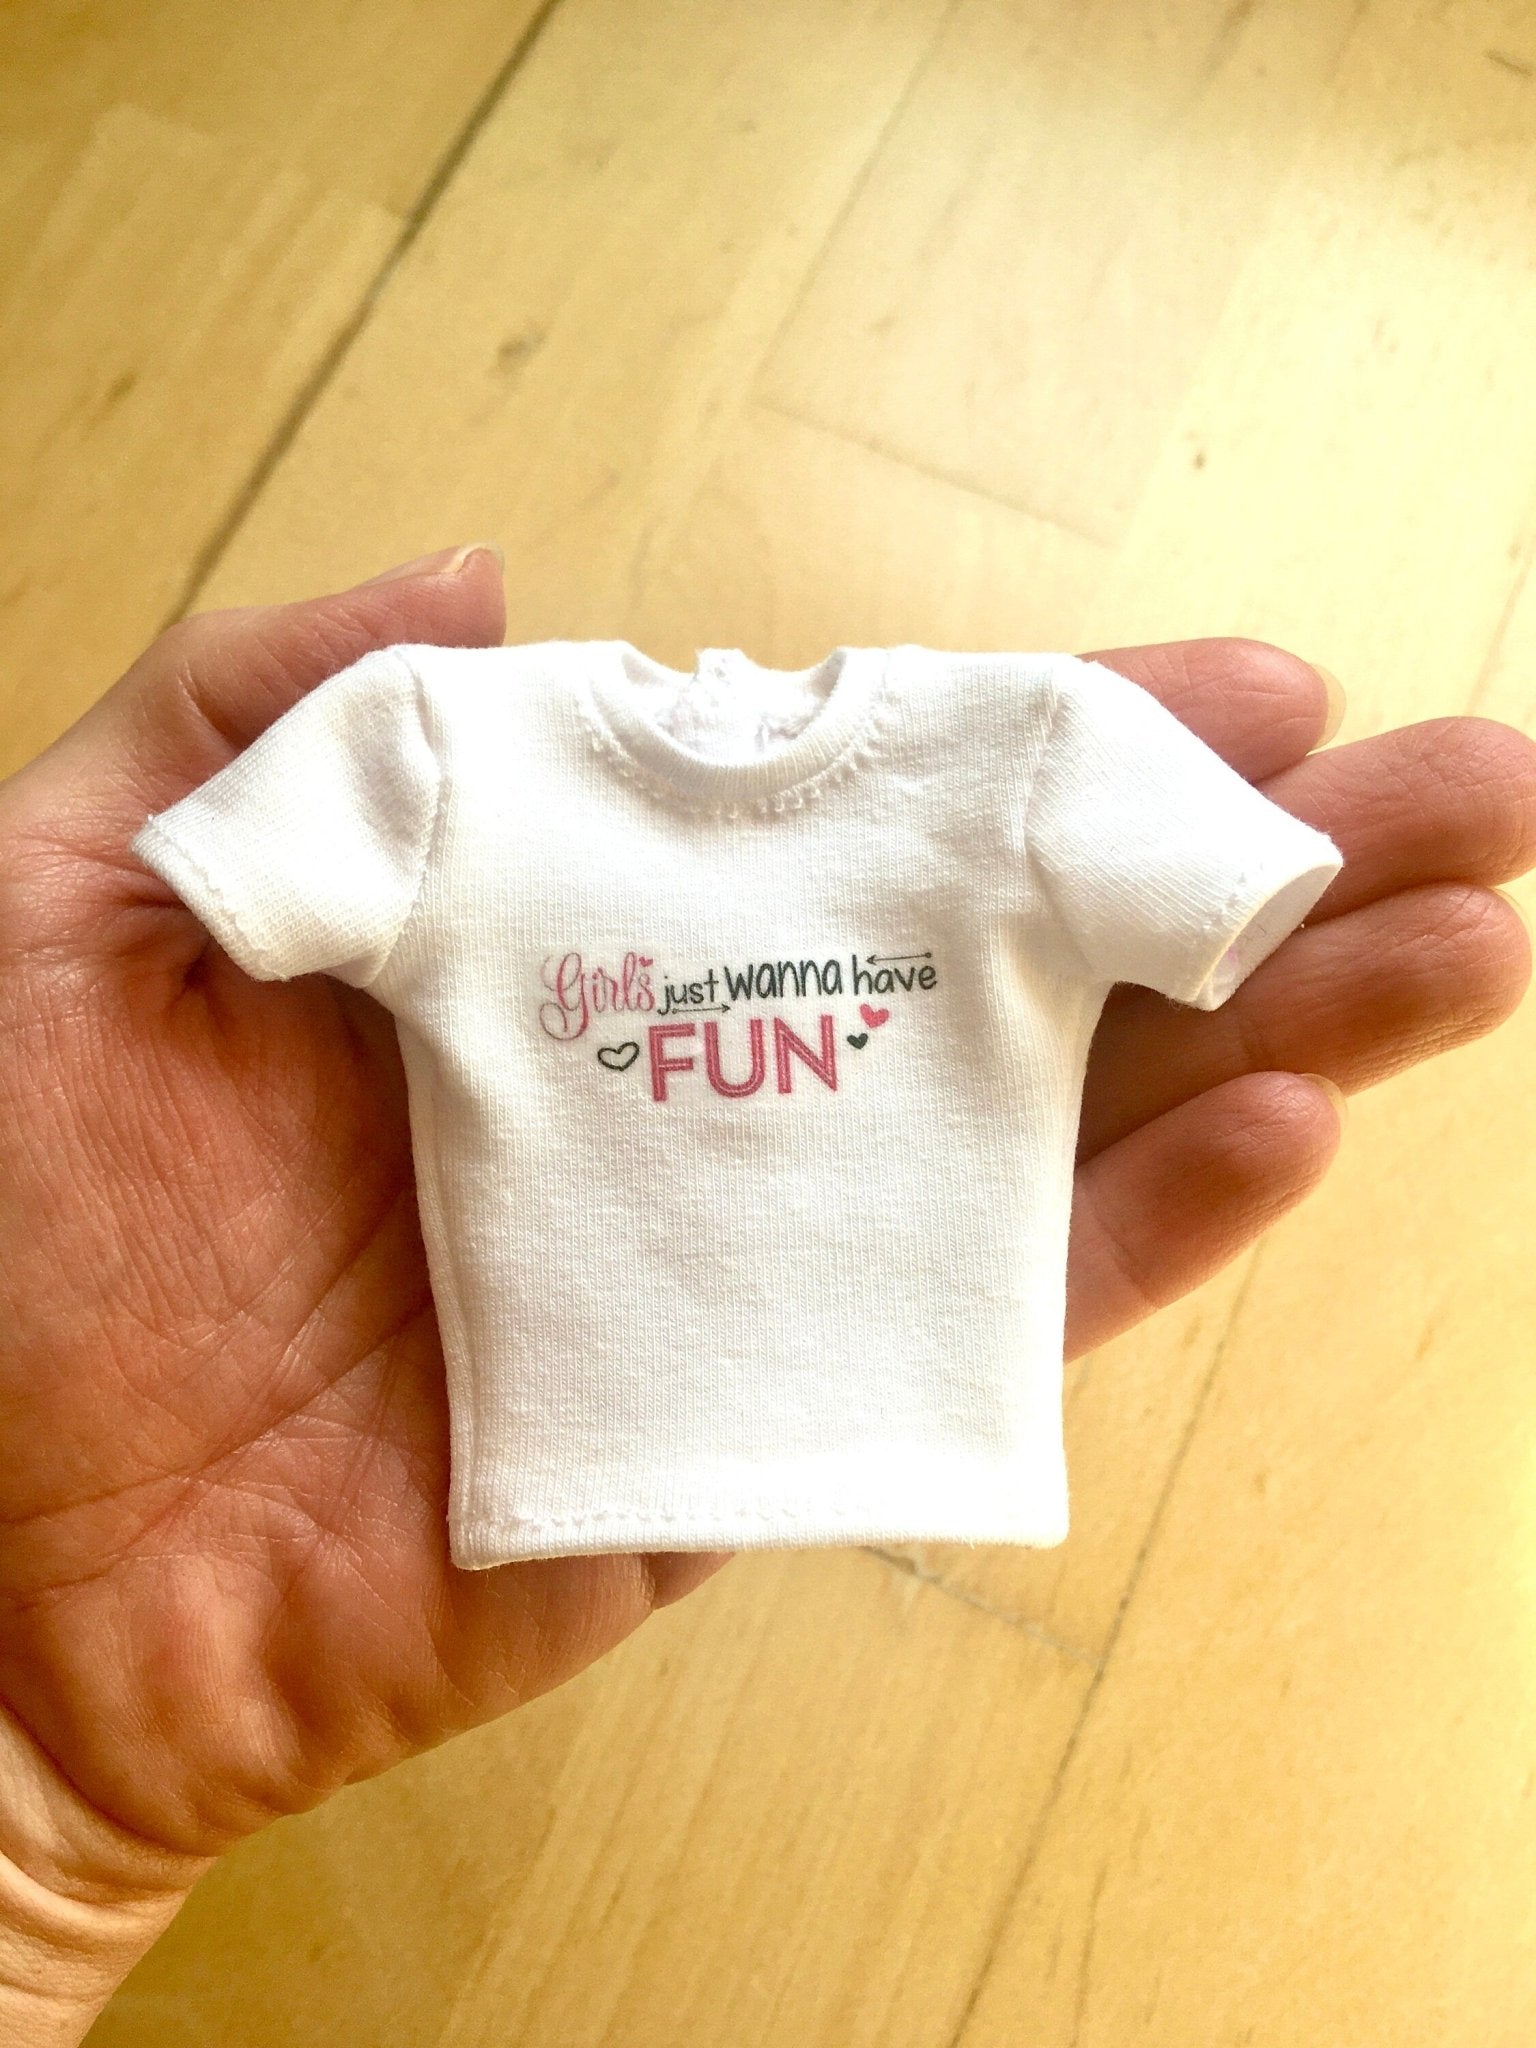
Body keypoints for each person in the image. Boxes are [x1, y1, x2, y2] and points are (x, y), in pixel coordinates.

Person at [0, 542, 1531, 2046]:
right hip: (558, 1465)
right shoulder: (444, 747)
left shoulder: (1027, 746)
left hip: (836, 1440)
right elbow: (226, 888)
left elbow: (1237, 905)